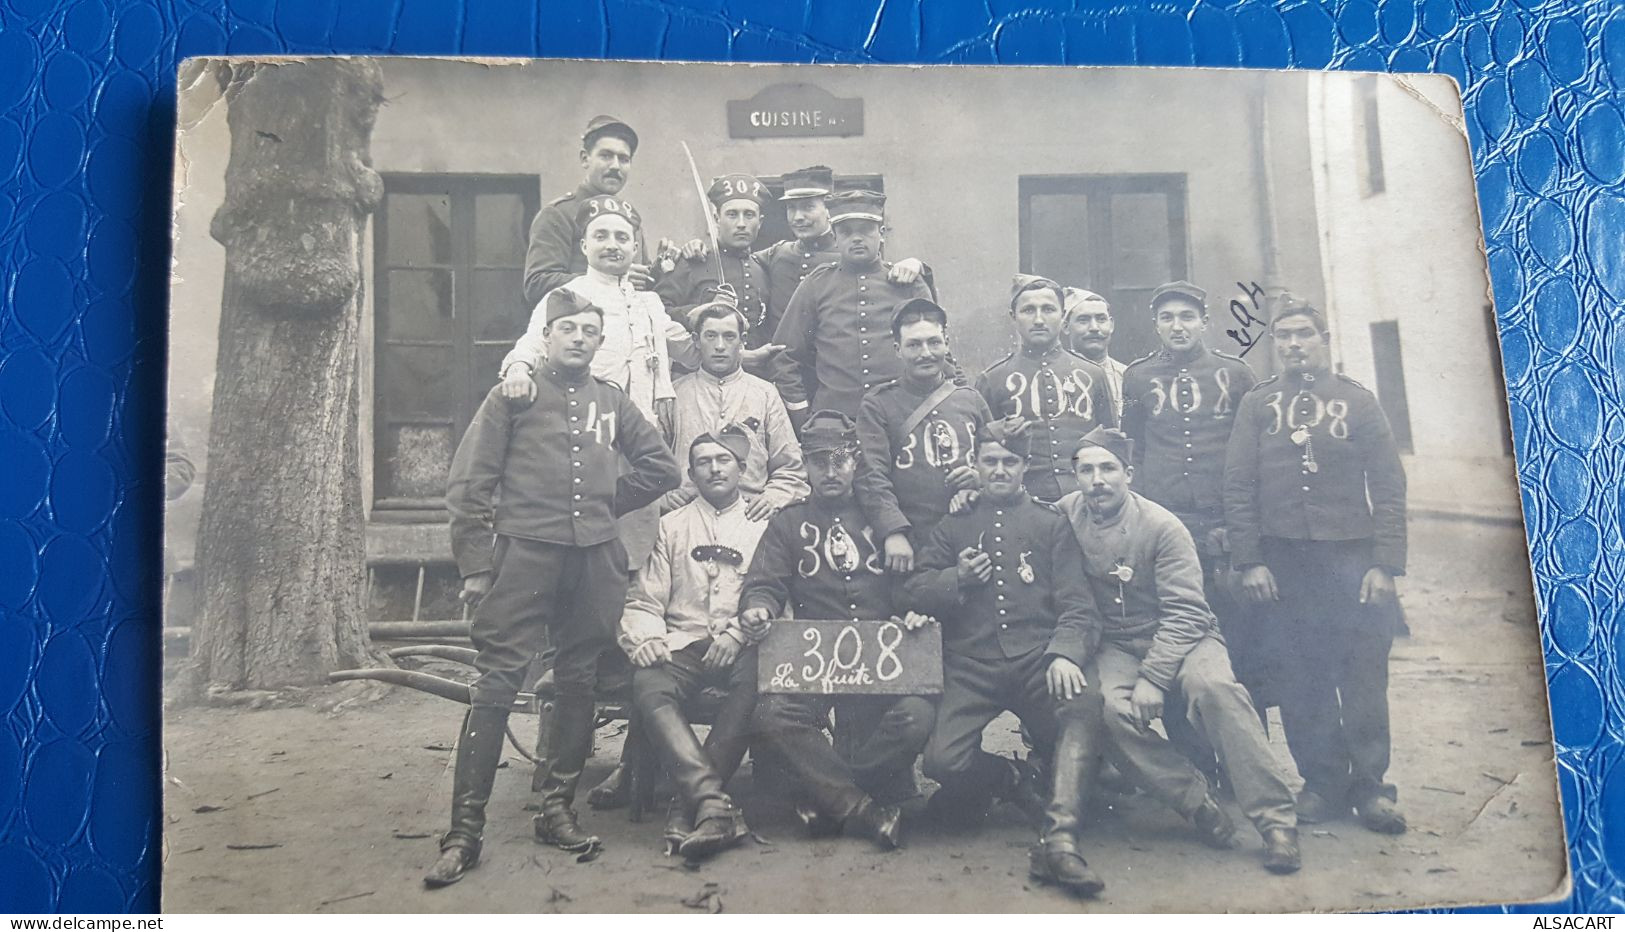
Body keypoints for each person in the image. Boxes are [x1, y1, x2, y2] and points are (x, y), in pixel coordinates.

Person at [427, 288, 680, 888]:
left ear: (600, 341)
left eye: (590, 331)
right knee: (495, 682)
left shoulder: (612, 401)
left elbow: (662, 469)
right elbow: (468, 487)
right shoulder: (512, 395)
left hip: (594, 561)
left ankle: (556, 811)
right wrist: (474, 567)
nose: (579, 338)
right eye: (567, 328)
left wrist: (599, 506)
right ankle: (464, 831)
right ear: (546, 336)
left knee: (578, 679)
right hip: (523, 559)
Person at [1057, 428, 1300, 874]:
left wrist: (1153, 678)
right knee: (1108, 708)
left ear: (1129, 474)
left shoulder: (1163, 526)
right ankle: (1195, 799)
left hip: (1183, 635)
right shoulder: (1064, 516)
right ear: (1073, 477)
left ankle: (1276, 822)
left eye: (1108, 468)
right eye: (1086, 470)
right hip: (1115, 642)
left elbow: (1188, 612)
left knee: (1216, 689)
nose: (1098, 481)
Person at [1223, 301, 1409, 835]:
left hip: (1351, 560)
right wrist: (1250, 559)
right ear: (1274, 343)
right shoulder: (1258, 405)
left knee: (1363, 676)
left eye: (1304, 334)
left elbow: (1390, 488)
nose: (1293, 344)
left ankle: (1371, 787)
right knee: (1301, 676)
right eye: (1283, 336)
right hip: (1284, 563)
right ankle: (1323, 782)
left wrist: (1385, 565)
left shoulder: (1358, 401)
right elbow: (1239, 487)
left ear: (1324, 338)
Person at [904, 420, 1110, 898]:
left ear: (1025, 467)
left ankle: (1059, 838)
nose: (999, 470)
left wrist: (1064, 655)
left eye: (1009, 462)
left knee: (1083, 706)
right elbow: (912, 588)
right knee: (942, 762)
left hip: (1037, 662)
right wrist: (956, 578)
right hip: (971, 665)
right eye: (989, 461)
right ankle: (1008, 776)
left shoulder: (1049, 523)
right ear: (975, 465)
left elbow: (1079, 605)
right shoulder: (954, 523)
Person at [740, 411, 938, 849]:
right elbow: (765, 581)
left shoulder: (888, 523)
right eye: (819, 462)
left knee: (918, 715)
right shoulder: (788, 522)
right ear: (805, 466)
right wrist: (757, 607)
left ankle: (826, 795)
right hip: (817, 657)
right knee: (772, 713)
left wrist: (912, 610)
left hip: (883, 654)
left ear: (856, 464)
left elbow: (914, 584)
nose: (830, 472)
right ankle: (864, 808)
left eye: (841, 461)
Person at [498, 195, 692, 567]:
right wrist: (519, 368)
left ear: (635, 248)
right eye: (601, 236)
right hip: (589, 430)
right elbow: (533, 342)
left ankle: (630, 605)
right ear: (585, 246)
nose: (612, 245)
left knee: (637, 532)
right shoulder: (569, 297)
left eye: (622, 238)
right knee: (586, 522)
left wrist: (739, 353)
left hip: (642, 433)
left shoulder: (648, 303)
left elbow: (683, 345)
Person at [619, 427, 769, 859]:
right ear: (691, 472)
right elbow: (644, 598)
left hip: (744, 644)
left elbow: (778, 597)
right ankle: (709, 802)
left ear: (742, 469)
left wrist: (739, 633)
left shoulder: (766, 525)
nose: (714, 468)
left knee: (757, 682)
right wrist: (645, 639)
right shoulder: (670, 526)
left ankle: (693, 807)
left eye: (724, 460)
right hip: (683, 640)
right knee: (649, 684)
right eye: (703, 461)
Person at [1118, 281, 1266, 711]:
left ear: (1204, 322)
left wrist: (1242, 530)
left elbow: (1251, 457)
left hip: (1225, 527)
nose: (1177, 327)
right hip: (1169, 527)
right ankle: (1197, 757)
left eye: (1186, 317)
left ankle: (1242, 741)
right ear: (1156, 325)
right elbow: (1134, 452)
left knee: (1238, 639)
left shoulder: (1237, 374)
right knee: (1177, 634)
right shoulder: (1138, 376)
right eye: (1167, 318)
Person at [772, 189, 937, 422]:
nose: (857, 238)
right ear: (835, 236)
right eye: (847, 232)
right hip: (837, 422)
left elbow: (938, 351)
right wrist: (802, 418)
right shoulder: (817, 283)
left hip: (903, 419)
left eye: (866, 230)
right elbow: (785, 355)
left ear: (881, 234)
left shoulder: (908, 283)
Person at [856, 298, 991, 577]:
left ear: (947, 343)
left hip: (973, 532)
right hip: (913, 540)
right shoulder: (879, 404)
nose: (925, 353)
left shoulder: (970, 400)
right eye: (914, 345)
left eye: (934, 342)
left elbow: (998, 458)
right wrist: (893, 531)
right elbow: (871, 475)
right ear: (898, 350)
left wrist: (979, 480)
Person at [664, 299, 808, 519]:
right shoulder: (673, 394)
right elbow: (647, 464)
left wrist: (773, 497)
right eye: (710, 336)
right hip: (686, 515)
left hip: (750, 516)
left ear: (743, 342)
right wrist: (663, 495)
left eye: (729, 336)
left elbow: (790, 468)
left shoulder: (765, 393)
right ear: (696, 340)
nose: (720, 346)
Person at [977, 275, 1117, 501]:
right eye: (1029, 310)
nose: (1039, 319)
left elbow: (1110, 442)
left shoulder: (1093, 374)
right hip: (1023, 502)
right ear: (1013, 317)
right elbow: (982, 451)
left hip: (1084, 499)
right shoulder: (992, 379)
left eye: (1049, 309)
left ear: (1063, 317)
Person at [522, 115, 653, 304]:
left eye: (624, 159)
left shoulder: (630, 220)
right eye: (606, 156)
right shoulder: (558, 214)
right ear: (585, 159)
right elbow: (537, 284)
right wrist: (606, 279)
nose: (615, 166)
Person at [655, 173, 773, 341]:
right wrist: (702, 311)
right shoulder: (693, 261)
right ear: (717, 219)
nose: (741, 223)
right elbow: (659, 311)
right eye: (732, 214)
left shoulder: (762, 268)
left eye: (749, 215)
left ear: (760, 222)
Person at [1064, 288, 1127, 417]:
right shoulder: (1057, 375)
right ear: (1065, 326)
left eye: (1101, 319)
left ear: (1111, 325)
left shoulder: (1126, 376)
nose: (1094, 328)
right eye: (1083, 320)